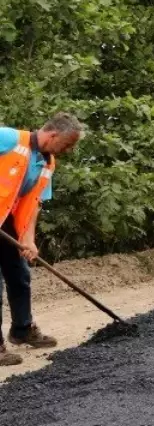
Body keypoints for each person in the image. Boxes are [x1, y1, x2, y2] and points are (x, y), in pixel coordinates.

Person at [0, 113, 85, 366]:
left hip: (7, 222)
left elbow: (33, 204)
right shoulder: (8, 138)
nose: (68, 150)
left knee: (20, 275)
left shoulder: (47, 164)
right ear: (53, 135)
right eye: (67, 144)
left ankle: (22, 329)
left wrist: (29, 240)